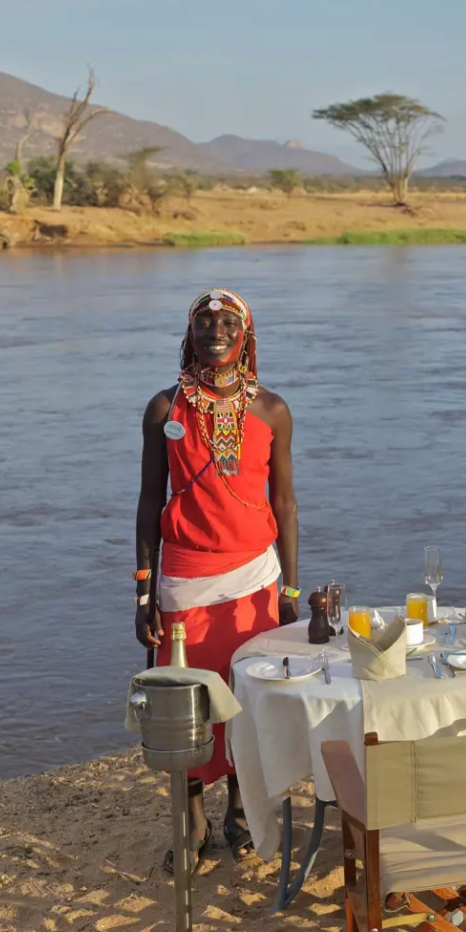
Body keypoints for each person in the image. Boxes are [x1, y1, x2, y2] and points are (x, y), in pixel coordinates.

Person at [135, 287, 300, 872]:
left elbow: (284, 504)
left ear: (246, 334)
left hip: (255, 580)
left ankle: (238, 812)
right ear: (190, 333)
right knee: (184, 702)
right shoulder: (164, 409)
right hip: (185, 578)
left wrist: (290, 592)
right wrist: (143, 592)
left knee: (245, 699)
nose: (216, 333)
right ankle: (192, 821)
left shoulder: (272, 410)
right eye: (205, 324)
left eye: (228, 322)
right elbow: (149, 503)